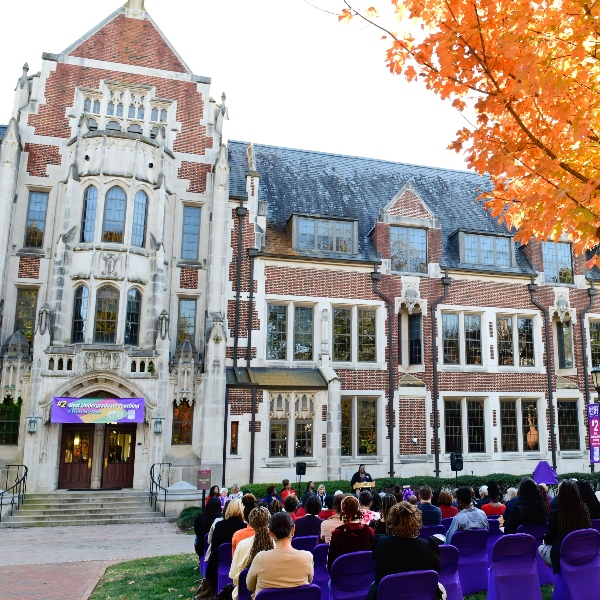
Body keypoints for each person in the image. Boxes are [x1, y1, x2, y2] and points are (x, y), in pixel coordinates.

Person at [366, 502, 442, 600]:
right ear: (417, 521)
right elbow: (437, 571)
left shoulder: (380, 543)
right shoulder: (430, 547)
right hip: (419, 595)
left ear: (392, 521)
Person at [246, 512, 314, 595]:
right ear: (293, 529)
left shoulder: (260, 558)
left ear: (270, 532)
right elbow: (309, 581)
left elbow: (250, 587)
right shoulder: (307, 557)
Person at [541, 480, 591, 573]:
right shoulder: (585, 511)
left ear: (560, 494)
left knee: (541, 548)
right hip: (584, 549)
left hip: (562, 552)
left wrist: (545, 539)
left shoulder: (555, 514)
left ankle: (558, 576)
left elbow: (550, 538)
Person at [229, 507, 274, 600]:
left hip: (244, 594)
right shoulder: (277, 544)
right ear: (269, 521)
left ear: (251, 522)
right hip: (272, 594)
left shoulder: (242, 545)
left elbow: (234, 577)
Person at [205, 499, 247, 592]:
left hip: (219, 563)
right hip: (239, 564)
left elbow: (213, 546)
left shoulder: (219, 525)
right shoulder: (244, 527)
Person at [327, 496, 374, 572]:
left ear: (343, 511)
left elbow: (330, 566)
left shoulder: (337, 534)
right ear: (358, 509)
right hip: (366, 578)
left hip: (342, 578)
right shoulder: (370, 532)